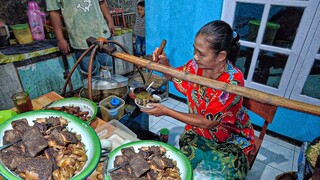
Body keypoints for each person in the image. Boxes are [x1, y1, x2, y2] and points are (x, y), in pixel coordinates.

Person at [142, 20, 255, 179]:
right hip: (198, 133)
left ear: (221, 56)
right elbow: (177, 79)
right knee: (174, 171)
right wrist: (165, 65)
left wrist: (166, 111)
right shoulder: (195, 67)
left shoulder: (232, 82)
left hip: (228, 141)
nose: (195, 57)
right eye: (194, 50)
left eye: (201, 53)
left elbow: (208, 122)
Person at [46, 0, 115, 76]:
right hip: (80, 38)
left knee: (108, 66)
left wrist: (109, 20)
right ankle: (91, 87)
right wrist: (60, 39)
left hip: (101, 32)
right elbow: (53, 12)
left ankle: (110, 87)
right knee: (89, 72)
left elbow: (102, 1)